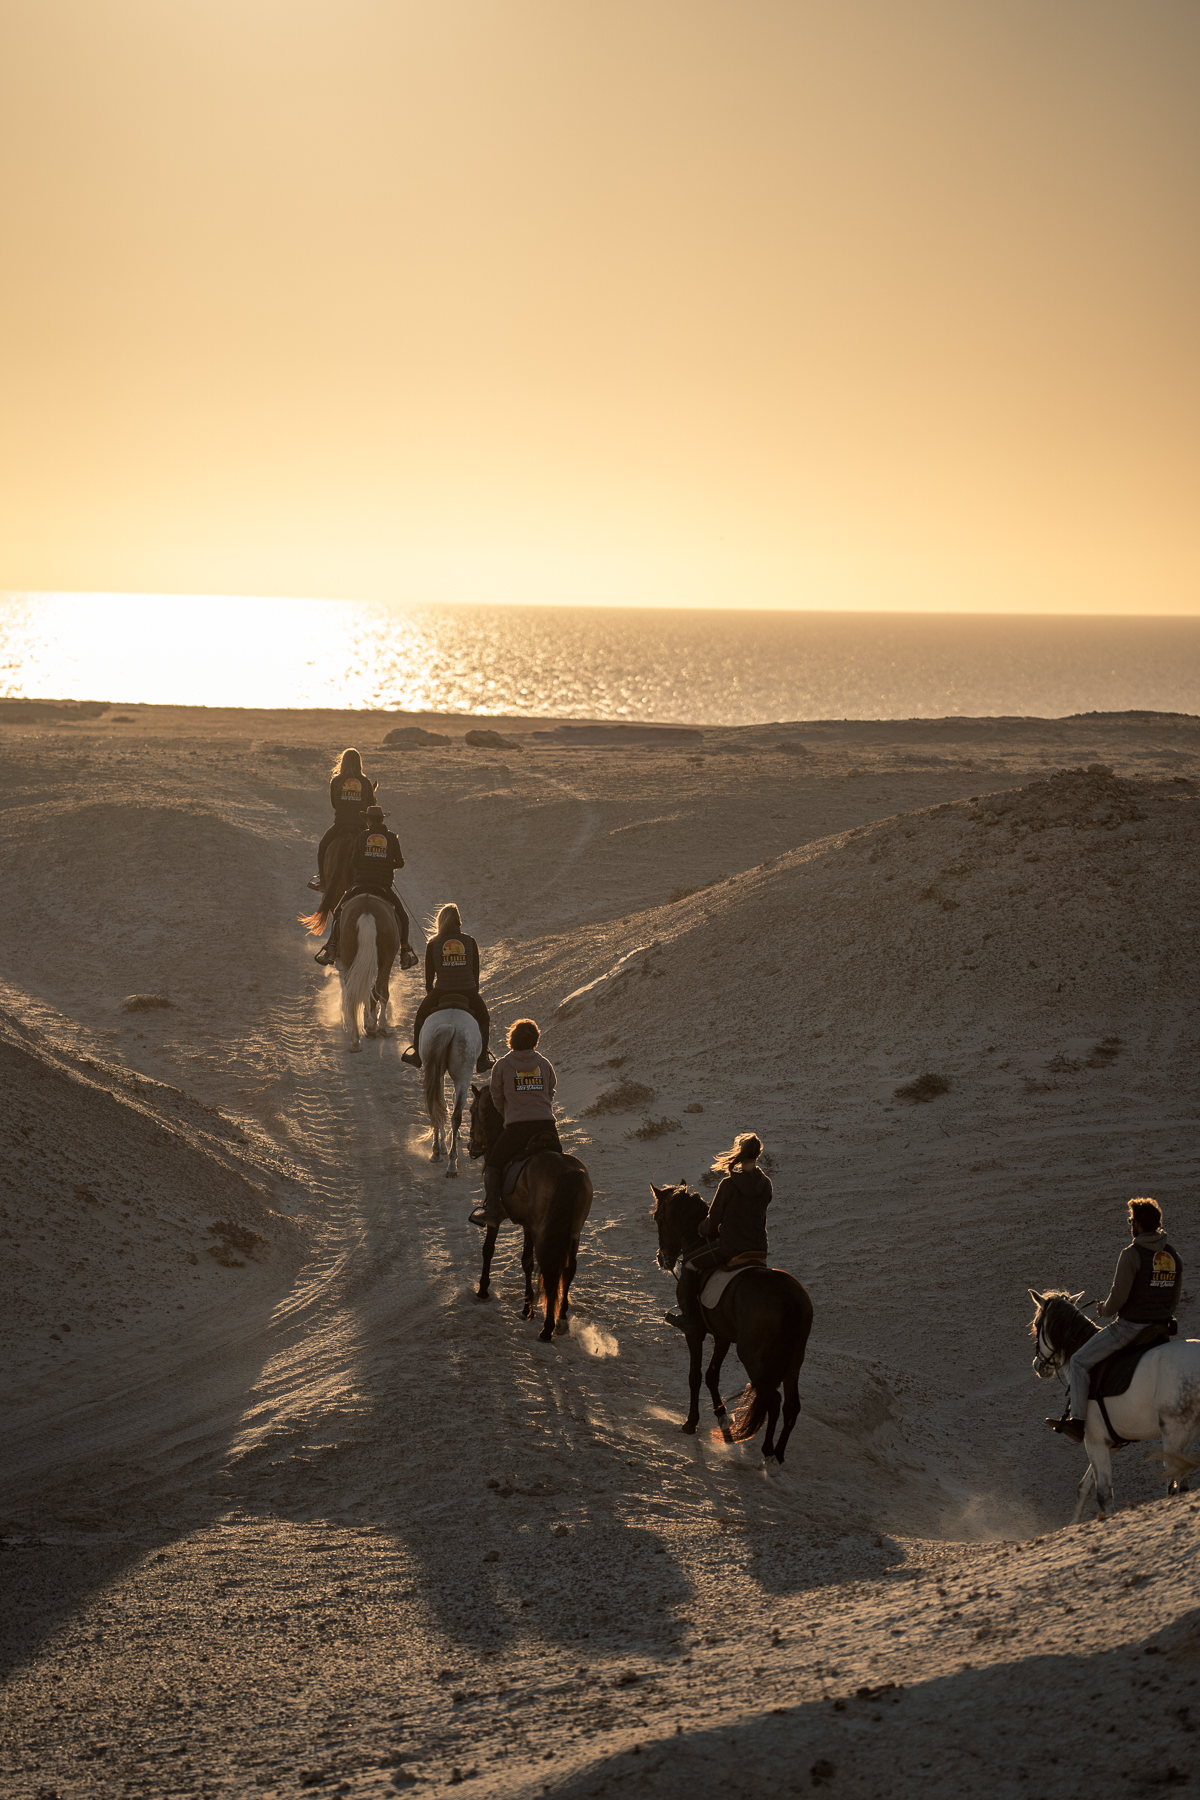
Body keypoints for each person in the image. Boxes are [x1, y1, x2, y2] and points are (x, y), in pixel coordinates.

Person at [1048, 1197, 1183, 1443]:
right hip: (1160, 1328)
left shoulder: (1131, 1254)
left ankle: (1077, 1422)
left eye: (1131, 1221)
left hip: (1130, 1328)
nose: (1130, 1225)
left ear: (1139, 1225)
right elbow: (1175, 1298)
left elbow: (1118, 1298)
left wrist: (1104, 1310)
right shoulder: (1173, 1256)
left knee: (1078, 1361)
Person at [666, 1133, 772, 1334]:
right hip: (759, 1249)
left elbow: (713, 1223)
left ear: (740, 1153)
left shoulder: (729, 1184)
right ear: (758, 1154)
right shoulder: (766, 1183)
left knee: (688, 1265)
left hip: (731, 1248)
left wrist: (701, 1229)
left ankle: (689, 1318)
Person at [469, 1018, 561, 1228]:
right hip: (548, 1127)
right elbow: (550, 1092)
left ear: (512, 1040)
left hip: (518, 1128)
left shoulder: (502, 1065)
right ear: (535, 1041)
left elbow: (496, 1098)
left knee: (492, 1163)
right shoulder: (544, 1063)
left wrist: (509, 1116)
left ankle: (491, 1211)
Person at [314, 805, 418, 968]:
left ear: (368, 820)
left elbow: (353, 862)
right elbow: (400, 863)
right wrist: (385, 861)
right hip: (382, 886)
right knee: (403, 917)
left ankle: (332, 947)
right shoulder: (391, 838)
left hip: (360, 885)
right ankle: (405, 951)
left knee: (338, 912)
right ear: (382, 819)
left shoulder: (362, 837)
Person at [400, 904, 494, 1075]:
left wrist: (432, 993)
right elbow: (476, 974)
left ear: (440, 921)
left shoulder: (433, 944)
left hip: (441, 991)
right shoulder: (470, 941)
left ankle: (417, 1056)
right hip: (468, 991)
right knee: (484, 1019)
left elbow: (429, 981)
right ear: (458, 921)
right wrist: (472, 990)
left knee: (420, 1016)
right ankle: (482, 1061)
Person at [309, 749, 377, 890]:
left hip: (340, 825)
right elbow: (370, 806)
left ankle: (323, 881)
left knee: (323, 847)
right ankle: (375, 878)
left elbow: (334, 804)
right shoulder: (365, 782)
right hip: (360, 825)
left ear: (342, 762)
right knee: (372, 850)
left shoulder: (337, 781)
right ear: (359, 763)